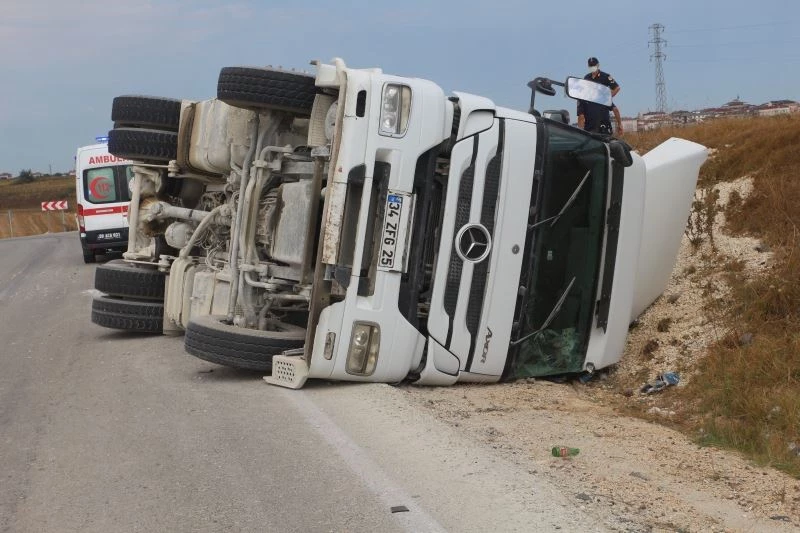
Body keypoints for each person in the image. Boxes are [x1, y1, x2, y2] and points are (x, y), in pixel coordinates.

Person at [577, 57, 623, 135]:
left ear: (598, 65)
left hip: (603, 108)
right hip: (590, 106)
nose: (592, 67)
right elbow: (581, 116)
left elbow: (617, 88)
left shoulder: (605, 76)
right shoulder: (586, 78)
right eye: (590, 66)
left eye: (593, 65)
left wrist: (607, 97)